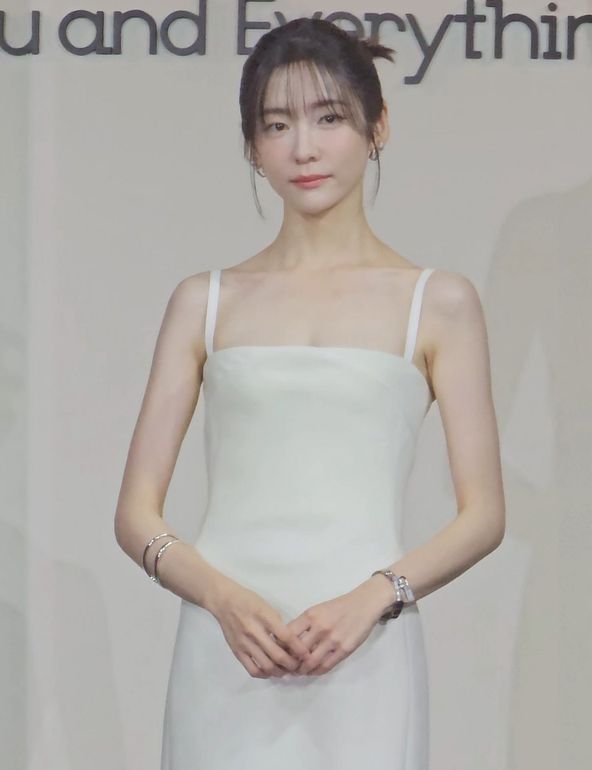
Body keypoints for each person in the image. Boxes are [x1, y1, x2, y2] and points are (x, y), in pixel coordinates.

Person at [114, 16, 505, 770]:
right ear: (252, 146)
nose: (304, 148)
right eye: (277, 125)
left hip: (366, 645)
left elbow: (483, 514)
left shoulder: (437, 302)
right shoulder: (205, 302)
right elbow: (136, 515)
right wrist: (221, 599)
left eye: (329, 118)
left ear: (377, 127)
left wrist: (377, 596)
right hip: (224, 650)